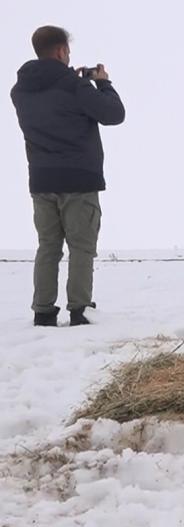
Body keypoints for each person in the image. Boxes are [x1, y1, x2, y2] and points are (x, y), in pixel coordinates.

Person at [10, 26, 126, 327]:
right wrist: (102, 83)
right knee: (81, 247)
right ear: (62, 50)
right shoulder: (76, 87)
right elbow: (114, 114)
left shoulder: (20, 91)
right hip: (79, 179)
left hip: (41, 180)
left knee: (48, 247)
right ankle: (80, 309)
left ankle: (43, 311)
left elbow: (53, 103)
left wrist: (72, 82)